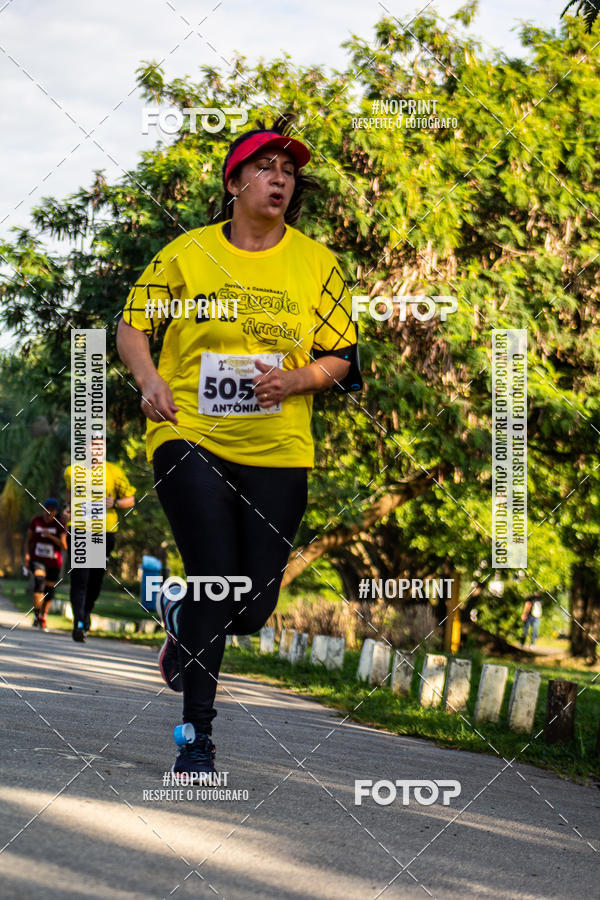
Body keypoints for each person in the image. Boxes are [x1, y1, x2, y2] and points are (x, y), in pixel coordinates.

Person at [116, 113, 362, 776]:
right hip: (187, 430)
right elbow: (133, 325)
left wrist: (296, 379)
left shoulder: (319, 263)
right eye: (264, 167)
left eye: (288, 171)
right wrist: (148, 380)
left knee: (251, 608)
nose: (279, 178)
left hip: (279, 447)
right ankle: (196, 740)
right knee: (217, 581)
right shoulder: (186, 254)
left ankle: (183, 619)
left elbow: (340, 355)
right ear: (234, 182)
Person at [64, 437, 136, 642]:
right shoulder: (71, 471)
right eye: (92, 446)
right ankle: (78, 622)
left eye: (100, 446)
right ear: (84, 448)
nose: (96, 450)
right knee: (80, 577)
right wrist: (67, 510)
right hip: (78, 529)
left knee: (95, 578)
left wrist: (115, 502)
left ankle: (85, 613)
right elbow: (69, 499)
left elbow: (130, 499)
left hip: (104, 531)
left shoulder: (114, 471)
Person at [24, 498, 67, 629]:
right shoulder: (36, 521)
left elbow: (64, 545)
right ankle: (36, 615)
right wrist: (26, 556)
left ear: (56, 512)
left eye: (52, 510)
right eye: (46, 509)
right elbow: (28, 540)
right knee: (39, 582)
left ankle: (44, 615)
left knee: (49, 590)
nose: (48, 512)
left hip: (54, 563)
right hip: (37, 559)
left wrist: (50, 536)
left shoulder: (60, 524)